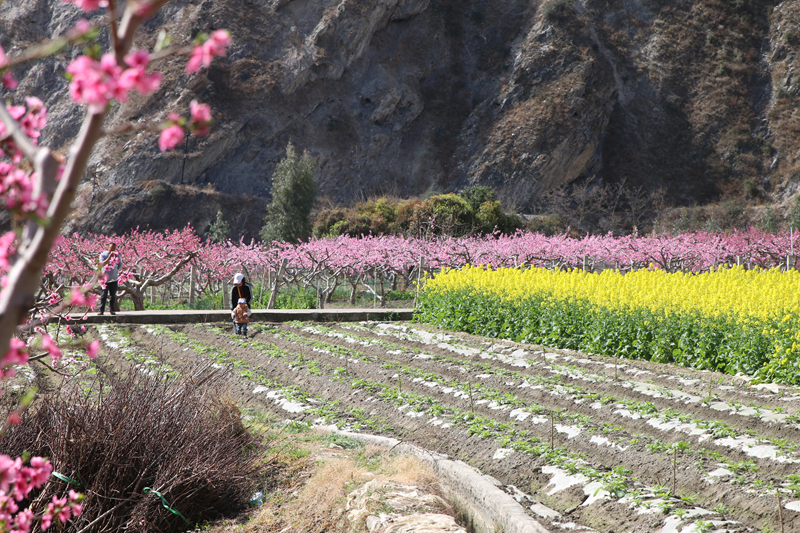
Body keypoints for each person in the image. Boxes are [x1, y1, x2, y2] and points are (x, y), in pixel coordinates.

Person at [98, 243, 121, 315]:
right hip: (105, 280)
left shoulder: (117, 255)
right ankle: (101, 311)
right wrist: (109, 257)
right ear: (108, 248)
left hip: (114, 279)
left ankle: (112, 310)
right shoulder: (103, 255)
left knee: (113, 295)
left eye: (114, 248)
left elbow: (120, 265)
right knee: (103, 295)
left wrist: (116, 269)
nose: (113, 250)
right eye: (111, 248)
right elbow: (101, 264)